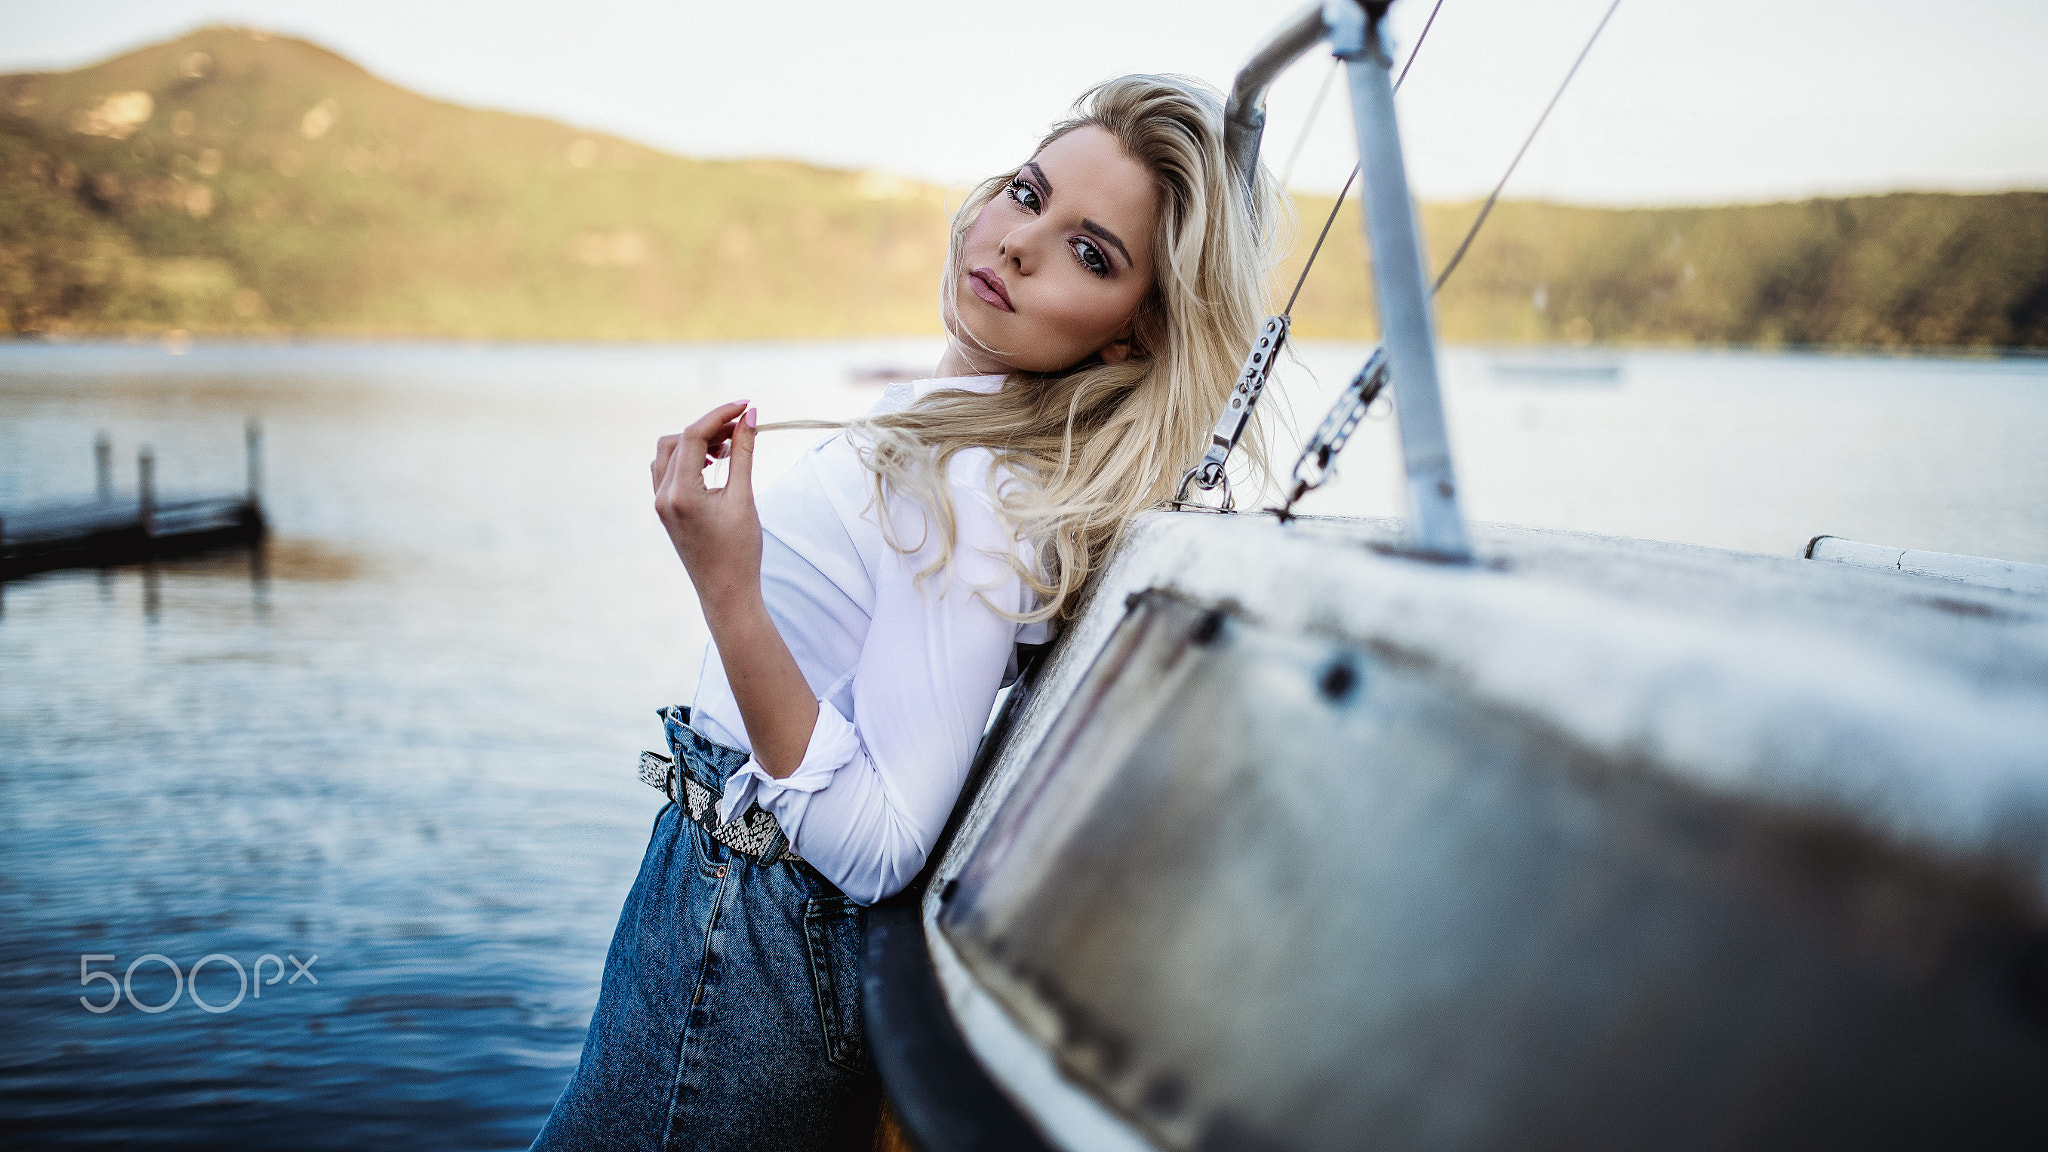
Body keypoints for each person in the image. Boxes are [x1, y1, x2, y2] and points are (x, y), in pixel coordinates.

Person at [531, 73, 1285, 1152]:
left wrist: (727, 589)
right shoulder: (946, 437)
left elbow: (880, 846)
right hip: (714, 915)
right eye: (1027, 195)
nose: (1020, 243)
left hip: (747, 942)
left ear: (1131, 337)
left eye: (1090, 253)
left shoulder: (977, 489)